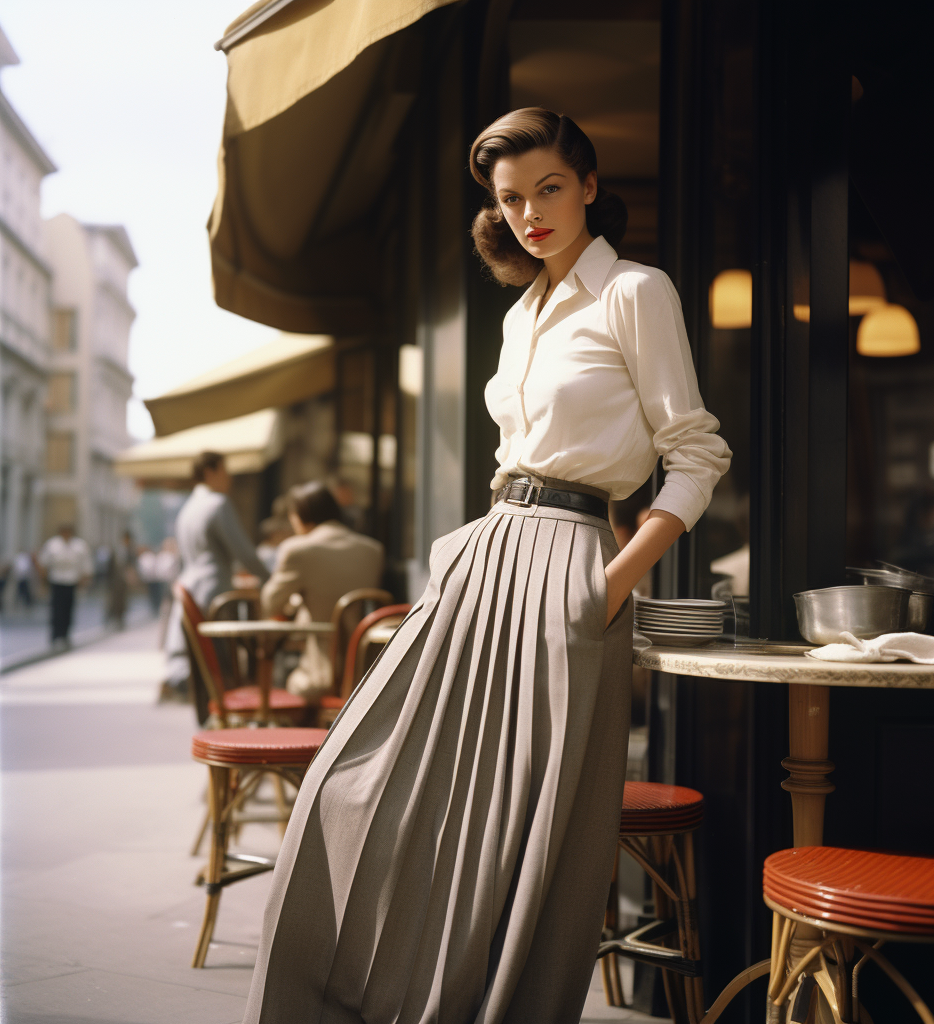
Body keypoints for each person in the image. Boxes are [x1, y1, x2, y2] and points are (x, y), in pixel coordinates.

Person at [243, 108, 731, 1024]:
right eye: (510, 200)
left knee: (519, 829)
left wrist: (610, 583)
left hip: (576, 568)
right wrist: (469, 543)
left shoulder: (635, 290)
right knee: (352, 784)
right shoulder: (519, 316)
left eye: (548, 188)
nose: (530, 213)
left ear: (589, 185)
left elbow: (696, 453)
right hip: (486, 557)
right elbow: (516, 453)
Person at [162, 451, 270, 704]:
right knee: (224, 664)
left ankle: (213, 715)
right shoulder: (217, 504)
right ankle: (232, 713)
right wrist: (270, 578)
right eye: (225, 470)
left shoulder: (186, 509)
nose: (229, 478)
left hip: (190, 589)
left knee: (205, 664)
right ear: (210, 472)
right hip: (215, 593)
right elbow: (245, 554)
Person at [261, 482, 385, 701]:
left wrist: (297, 599)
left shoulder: (298, 550)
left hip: (319, 672)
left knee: (282, 681)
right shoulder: (373, 550)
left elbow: (270, 603)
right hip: (366, 671)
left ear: (299, 516)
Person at [35, 524, 92, 649]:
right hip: (56, 580)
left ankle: (65, 635)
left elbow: (86, 565)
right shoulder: (52, 545)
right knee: (56, 609)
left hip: (71, 581)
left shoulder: (79, 545)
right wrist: (43, 582)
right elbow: (43, 563)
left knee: (68, 608)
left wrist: (84, 580)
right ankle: (56, 635)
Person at [106, 529, 136, 629]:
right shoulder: (115, 550)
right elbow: (110, 566)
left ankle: (120, 618)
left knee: (123, 601)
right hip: (115, 580)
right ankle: (111, 617)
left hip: (124, 580)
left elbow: (132, 565)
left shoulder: (130, 551)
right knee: (113, 600)